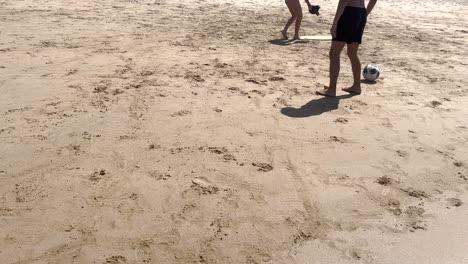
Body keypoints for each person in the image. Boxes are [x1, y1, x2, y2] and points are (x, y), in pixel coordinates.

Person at [316, 0, 377, 97]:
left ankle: (332, 89)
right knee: (352, 53)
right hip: (361, 13)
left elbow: (343, 1)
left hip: (348, 13)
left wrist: (335, 23)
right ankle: (356, 86)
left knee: (334, 52)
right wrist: (365, 14)